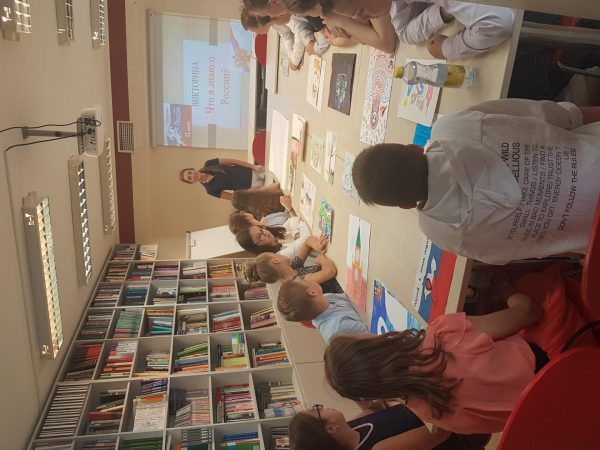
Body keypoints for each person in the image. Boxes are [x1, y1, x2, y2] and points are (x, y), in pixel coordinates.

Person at [351, 99, 600, 265]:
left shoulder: (440, 232)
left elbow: (530, 250)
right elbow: (564, 115)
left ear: (406, 205)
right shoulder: (453, 128)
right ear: (413, 147)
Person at [323, 293, 544, 434]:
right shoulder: (442, 337)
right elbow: (530, 312)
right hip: (551, 368)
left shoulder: (430, 414)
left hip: (545, 417)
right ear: (369, 345)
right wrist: (505, 288)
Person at [285, 0, 514, 60]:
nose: (364, 19)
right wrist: (443, 12)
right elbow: (403, 33)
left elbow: (499, 23)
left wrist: (448, 48)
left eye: (360, 10)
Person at [290, 403, 491, 450]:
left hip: (440, 410)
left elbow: (374, 410)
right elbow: (439, 433)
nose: (322, 407)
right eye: (317, 410)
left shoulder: (349, 429)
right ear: (330, 429)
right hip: (461, 431)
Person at [277, 278, 368, 342]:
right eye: (304, 280)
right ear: (312, 292)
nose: (307, 279)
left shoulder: (325, 298)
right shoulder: (339, 328)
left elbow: (352, 299)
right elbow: (373, 330)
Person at [244, 249, 344, 293]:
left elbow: (307, 243)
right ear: (276, 260)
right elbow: (330, 271)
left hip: (341, 275)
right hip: (345, 288)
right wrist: (320, 259)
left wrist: (319, 247)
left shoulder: (292, 269)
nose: (280, 254)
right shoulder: (300, 282)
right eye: (276, 254)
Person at [179, 158, 265, 200]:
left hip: (254, 171)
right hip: (253, 187)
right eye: (189, 178)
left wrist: (254, 166)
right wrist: (250, 192)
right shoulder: (210, 190)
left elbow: (234, 161)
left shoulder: (209, 163)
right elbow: (233, 197)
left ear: (192, 169)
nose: (192, 175)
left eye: (190, 172)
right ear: (192, 182)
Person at [229, 195, 296, 234]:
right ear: (246, 220)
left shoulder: (264, 219)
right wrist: (289, 208)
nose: (242, 212)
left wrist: (284, 203)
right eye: (241, 213)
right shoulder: (268, 232)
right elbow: (295, 227)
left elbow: (285, 215)